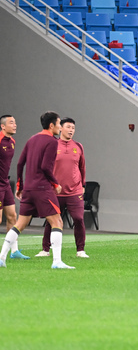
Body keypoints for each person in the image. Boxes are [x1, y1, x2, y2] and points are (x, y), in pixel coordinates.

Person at [0, 111, 74, 269]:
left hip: (28, 188)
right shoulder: (52, 142)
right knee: (57, 222)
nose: (60, 128)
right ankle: (57, 262)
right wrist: (56, 184)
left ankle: (1, 257)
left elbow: (20, 164)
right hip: (42, 188)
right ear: (52, 125)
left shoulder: (31, 139)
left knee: (20, 224)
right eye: (59, 124)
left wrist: (20, 186)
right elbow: (45, 167)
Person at [36, 118, 88, 258]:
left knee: (78, 219)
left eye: (73, 128)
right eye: (68, 127)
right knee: (51, 221)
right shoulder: (52, 145)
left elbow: (82, 167)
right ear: (61, 128)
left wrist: (82, 185)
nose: (71, 130)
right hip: (55, 191)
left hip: (74, 191)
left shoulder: (78, 146)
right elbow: (45, 167)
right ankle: (45, 250)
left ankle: (80, 250)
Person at [0, 115, 28, 260]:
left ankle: (14, 251)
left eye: (15, 122)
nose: (15, 125)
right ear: (3, 126)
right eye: (11, 123)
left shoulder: (12, 142)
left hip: (5, 183)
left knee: (12, 217)